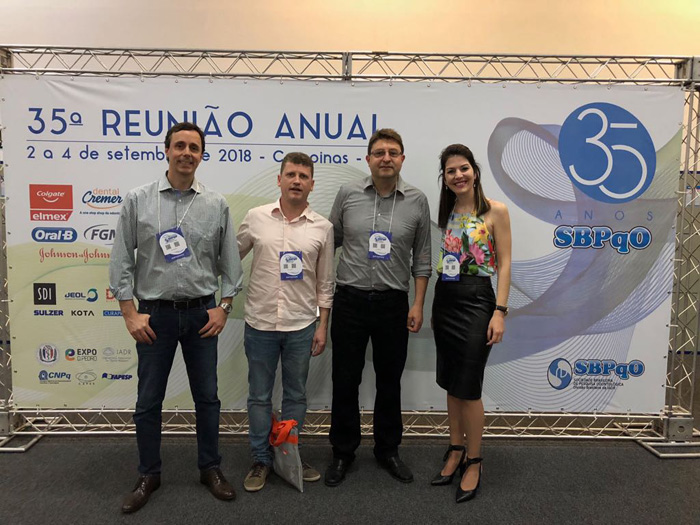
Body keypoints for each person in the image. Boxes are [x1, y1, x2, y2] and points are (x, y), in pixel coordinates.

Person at [109, 122, 243, 514]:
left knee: (208, 398)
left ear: (202, 155)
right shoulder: (138, 200)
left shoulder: (215, 203)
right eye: (180, 145)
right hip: (155, 317)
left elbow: (230, 263)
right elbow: (121, 260)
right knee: (148, 401)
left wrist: (224, 306)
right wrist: (129, 313)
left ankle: (210, 468)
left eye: (194, 147)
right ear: (166, 150)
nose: (187, 153)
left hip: (202, 314)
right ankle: (148, 474)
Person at [325, 128, 432, 487]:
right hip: (350, 300)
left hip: (393, 304)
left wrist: (418, 304)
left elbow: (423, 259)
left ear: (402, 159)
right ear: (368, 159)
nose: (386, 158)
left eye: (393, 152)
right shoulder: (348, 193)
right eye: (379, 152)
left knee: (390, 380)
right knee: (345, 379)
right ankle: (343, 451)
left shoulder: (417, 200)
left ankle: (388, 449)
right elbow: (329, 242)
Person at [236, 152, 334, 492]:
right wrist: (223, 299)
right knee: (259, 396)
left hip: (301, 325)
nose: (296, 181)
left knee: (295, 396)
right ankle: (261, 459)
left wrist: (322, 324)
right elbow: (230, 260)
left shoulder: (323, 227)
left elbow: (325, 282)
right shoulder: (256, 218)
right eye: (291, 174)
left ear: (311, 184)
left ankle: (289, 456)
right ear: (279, 180)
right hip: (260, 324)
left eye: (303, 176)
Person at [430, 144, 512, 503]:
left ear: (474, 172)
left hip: (478, 301)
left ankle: (475, 460)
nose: (458, 175)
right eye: (451, 171)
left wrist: (500, 311)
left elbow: (505, 264)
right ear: (445, 179)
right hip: (445, 298)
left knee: (469, 385)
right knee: (451, 381)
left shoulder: (495, 210)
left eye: (463, 168)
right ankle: (455, 449)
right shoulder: (447, 211)